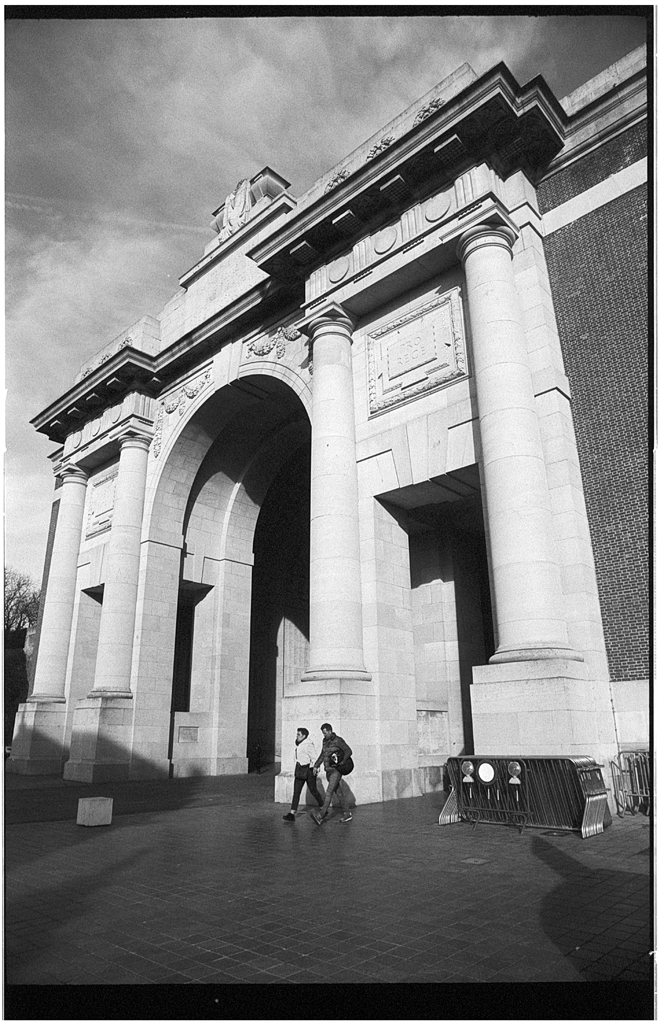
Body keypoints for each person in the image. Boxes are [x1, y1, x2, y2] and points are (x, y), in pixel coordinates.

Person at [310, 723, 353, 825]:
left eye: (325, 733)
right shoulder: (324, 741)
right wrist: (316, 765)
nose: (324, 735)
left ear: (330, 731)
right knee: (338, 792)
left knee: (329, 792)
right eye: (323, 733)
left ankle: (321, 815)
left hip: (336, 771)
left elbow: (348, 751)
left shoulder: (338, 740)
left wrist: (342, 762)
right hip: (328, 770)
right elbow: (323, 754)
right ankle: (347, 813)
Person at [283, 727, 324, 821]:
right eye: (297, 734)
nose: (297, 736)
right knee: (296, 793)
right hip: (299, 770)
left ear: (304, 736)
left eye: (299, 734)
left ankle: (323, 807)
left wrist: (315, 769)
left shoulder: (308, 744)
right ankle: (292, 814)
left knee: (313, 790)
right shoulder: (300, 744)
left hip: (309, 770)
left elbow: (314, 758)